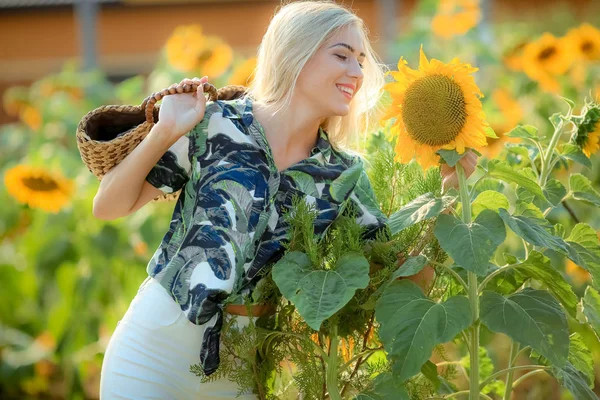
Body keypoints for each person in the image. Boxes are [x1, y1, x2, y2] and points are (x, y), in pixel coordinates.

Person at [93, 1, 476, 399]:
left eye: (361, 61)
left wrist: (448, 198)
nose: (357, 73)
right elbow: (108, 206)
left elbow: (399, 283)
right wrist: (166, 130)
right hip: (151, 349)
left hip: (242, 372)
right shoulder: (215, 123)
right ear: (296, 53)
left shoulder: (343, 176)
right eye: (342, 56)